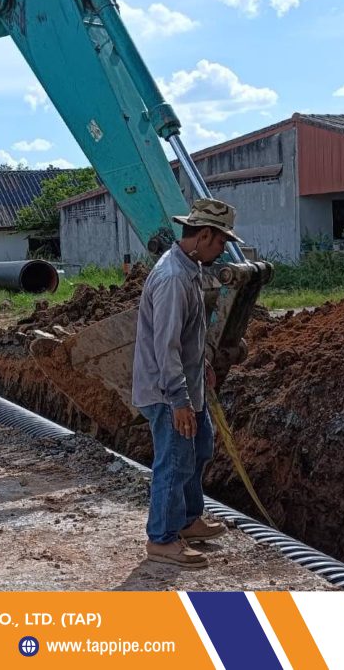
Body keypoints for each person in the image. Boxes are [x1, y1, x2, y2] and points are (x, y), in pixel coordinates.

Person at [132, 198, 243, 569]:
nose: (223, 250)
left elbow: (185, 334)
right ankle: (162, 539)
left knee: (198, 450)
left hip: (187, 384)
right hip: (168, 392)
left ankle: (187, 520)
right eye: (221, 243)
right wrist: (179, 399)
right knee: (174, 462)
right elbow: (166, 345)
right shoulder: (173, 277)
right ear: (205, 235)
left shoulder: (190, 267)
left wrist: (203, 363)